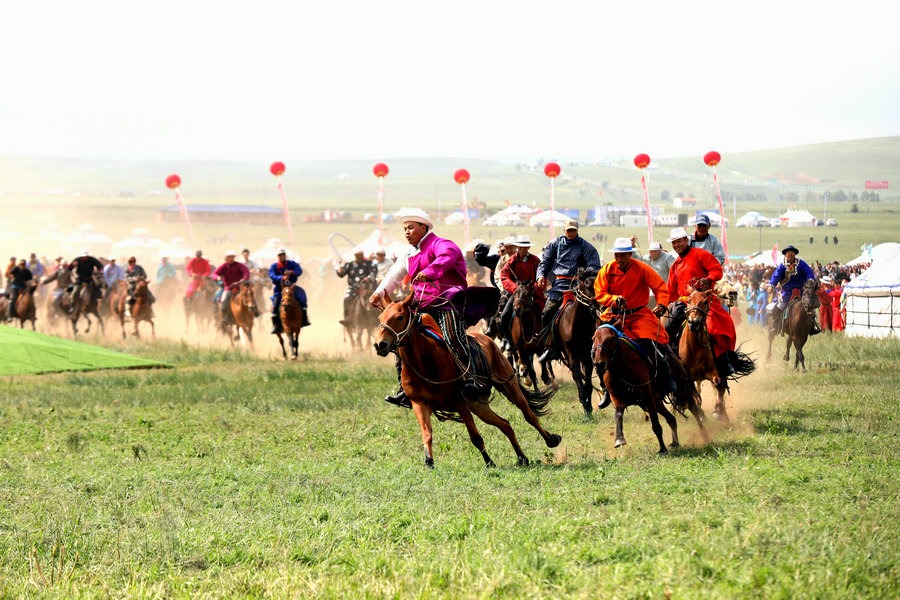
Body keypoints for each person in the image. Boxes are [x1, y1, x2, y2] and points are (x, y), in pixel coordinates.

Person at [369, 207, 483, 409]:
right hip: (420, 304)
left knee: (452, 335)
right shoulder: (408, 253)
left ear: (424, 227)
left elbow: (446, 258)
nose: (407, 232)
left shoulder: (442, 244)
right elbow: (394, 275)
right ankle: (405, 389)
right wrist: (379, 292)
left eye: (411, 227)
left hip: (447, 301)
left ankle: (471, 380)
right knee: (401, 340)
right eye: (405, 228)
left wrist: (429, 272)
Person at [594, 237, 675, 407]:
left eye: (623, 255)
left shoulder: (642, 268)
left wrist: (661, 304)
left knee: (654, 343)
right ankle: (606, 388)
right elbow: (599, 293)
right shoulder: (607, 270)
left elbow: (660, 287)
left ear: (630, 254)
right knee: (597, 347)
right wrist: (613, 299)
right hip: (613, 315)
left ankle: (667, 379)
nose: (619, 259)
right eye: (617, 255)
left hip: (639, 315)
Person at [665, 227, 738, 377]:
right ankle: (672, 365)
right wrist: (665, 305)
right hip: (685, 303)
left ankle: (725, 362)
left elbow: (716, 270)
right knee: (667, 329)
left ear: (686, 240)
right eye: (674, 243)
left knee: (720, 326)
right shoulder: (675, 266)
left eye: (679, 241)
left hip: (705, 300)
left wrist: (708, 279)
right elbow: (670, 291)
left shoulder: (700, 254)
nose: (676, 245)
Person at [535, 218, 601, 362]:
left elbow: (595, 265)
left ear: (577, 230)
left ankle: (598, 344)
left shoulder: (585, 246)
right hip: (559, 285)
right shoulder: (555, 244)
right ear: (564, 230)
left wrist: (583, 274)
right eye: (568, 230)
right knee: (546, 313)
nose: (571, 233)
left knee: (596, 312)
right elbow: (545, 262)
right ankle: (549, 347)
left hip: (579, 286)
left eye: (573, 230)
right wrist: (541, 275)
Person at [497, 234, 545, 348]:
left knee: (545, 313)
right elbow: (504, 276)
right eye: (520, 247)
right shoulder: (511, 261)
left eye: (525, 247)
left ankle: (546, 342)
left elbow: (541, 276)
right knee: (504, 315)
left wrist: (534, 287)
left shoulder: (535, 260)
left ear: (528, 247)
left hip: (532, 292)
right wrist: (515, 288)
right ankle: (509, 341)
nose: (522, 250)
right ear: (517, 247)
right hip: (517, 293)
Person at [766, 245, 820, 335]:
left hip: (801, 291)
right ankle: (775, 326)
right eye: (788, 253)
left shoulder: (801, 264)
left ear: (795, 254)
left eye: (792, 253)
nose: (790, 254)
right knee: (778, 308)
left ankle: (812, 326)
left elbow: (808, 272)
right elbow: (776, 276)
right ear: (785, 255)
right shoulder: (782, 266)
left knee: (810, 305)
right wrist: (771, 285)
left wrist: (810, 279)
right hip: (786, 292)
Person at [268, 249, 311, 333]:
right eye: (280, 255)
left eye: (283, 255)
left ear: (285, 256)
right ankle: (275, 326)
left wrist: (292, 272)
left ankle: (305, 319)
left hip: (292, 287)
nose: (282, 257)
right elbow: (271, 275)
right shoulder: (274, 266)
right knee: (275, 305)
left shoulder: (292, 263)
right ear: (278, 257)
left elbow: (299, 271)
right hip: (279, 289)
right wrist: (281, 277)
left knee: (302, 298)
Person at [336, 248, 377, 326]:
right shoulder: (349, 265)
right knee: (346, 299)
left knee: (376, 298)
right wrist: (339, 271)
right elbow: (341, 274)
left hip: (367, 288)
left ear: (363, 254)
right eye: (357, 255)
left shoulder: (369, 263)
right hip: (353, 288)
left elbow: (374, 271)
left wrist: (368, 278)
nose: (359, 257)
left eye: (360, 255)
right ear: (355, 256)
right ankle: (347, 319)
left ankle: (378, 318)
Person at [214, 250, 253, 328]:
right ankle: (224, 318)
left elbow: (246, 272)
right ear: (226, 258)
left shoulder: (239, 265)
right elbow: (215, 273)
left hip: (240, 287)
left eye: (232, 257)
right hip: (229, 288)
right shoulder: (223, 266)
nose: (231, 258)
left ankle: (255, 311)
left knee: (250, 296)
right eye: (229, 257)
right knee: (224, 300)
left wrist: (244, 279)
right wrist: (217, 277)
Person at [635, 239, 675, 308]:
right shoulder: (646, 258)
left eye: (655, 251)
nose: (653, 253)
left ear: (659, 251)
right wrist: (632, 246)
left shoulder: (668, 258)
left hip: (665, 287)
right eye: (651, 251)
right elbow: (635, 260)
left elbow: (674, 270)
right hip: (651, 288)